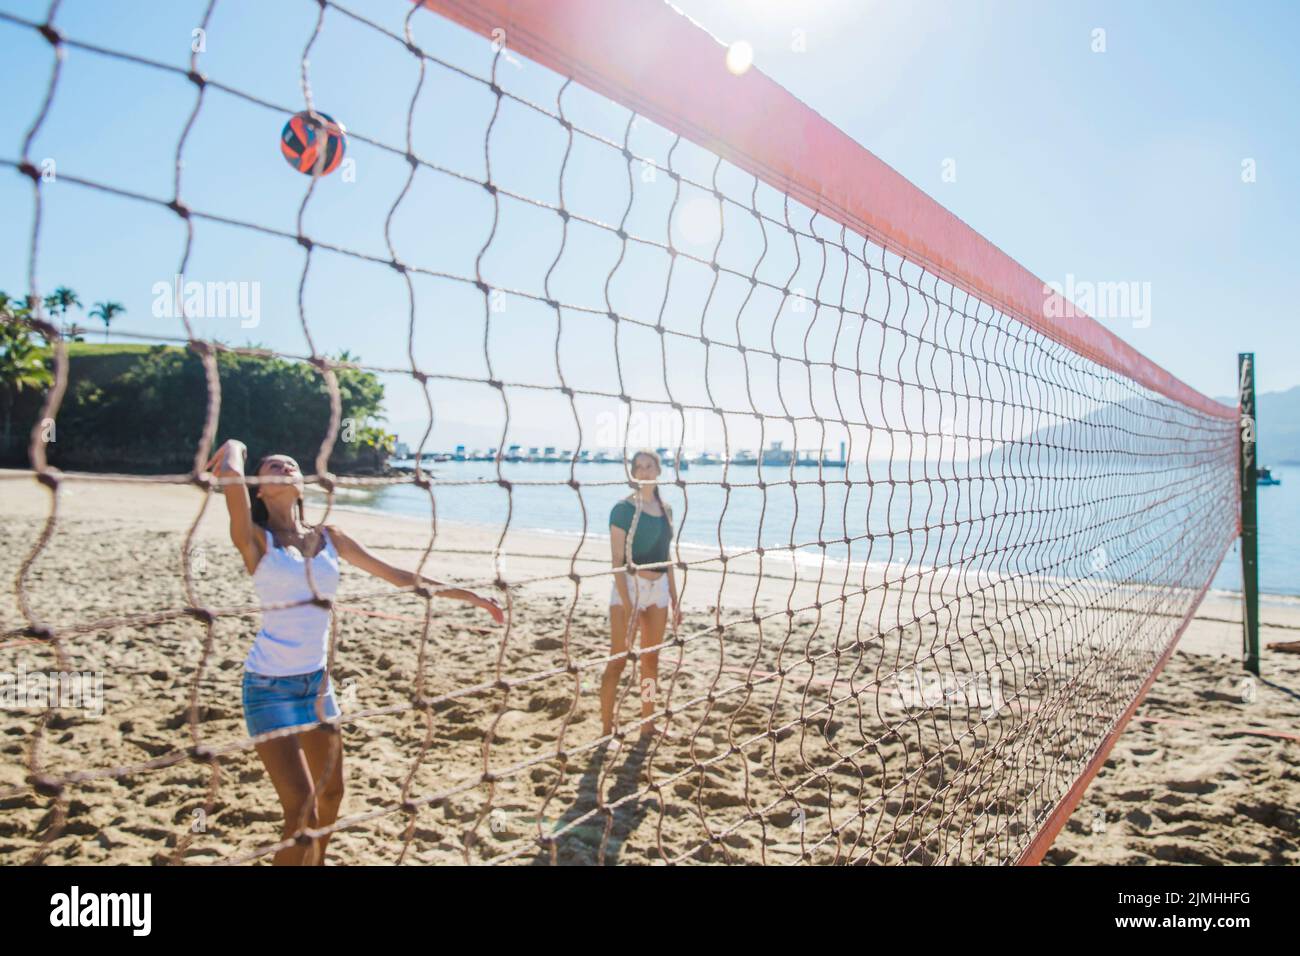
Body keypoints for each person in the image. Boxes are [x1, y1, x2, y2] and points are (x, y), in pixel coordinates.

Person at [206, 438, 503, 865]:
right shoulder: (255, 539)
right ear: (260, 488)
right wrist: (235, 444)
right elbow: (231, 474)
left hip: (317, 686)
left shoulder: (330, 536)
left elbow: (400, 576)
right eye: (272, 466)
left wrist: (468, 595)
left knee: (331, 794)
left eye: (291, 463)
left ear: (303, 486)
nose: (285, 466)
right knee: (302, 805)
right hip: (268, 688)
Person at [601, 448, 681, 741]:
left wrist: (675, 597)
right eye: (639, 467)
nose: (645, 471)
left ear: (659, 471)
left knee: (651, 662)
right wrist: (630, 602)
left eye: (650, 466)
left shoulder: (666, 509)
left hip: (658, 589)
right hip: (629, 588)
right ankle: (606, 728)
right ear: (633, 473)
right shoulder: (623, 509)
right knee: (618, 661)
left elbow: (667, 556)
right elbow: (616, 562)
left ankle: (647, 722)